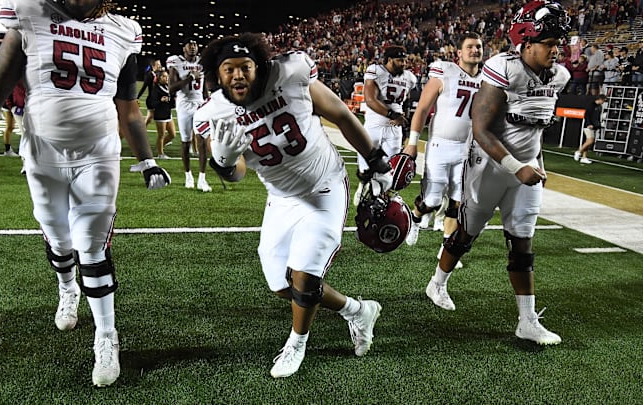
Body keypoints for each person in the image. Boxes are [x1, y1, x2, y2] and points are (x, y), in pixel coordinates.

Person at [0, 0, 171, 387]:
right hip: (43, 152)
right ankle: (67, 287)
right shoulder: (31, 13)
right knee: (59, 239)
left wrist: (148, 160)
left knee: (92, 246)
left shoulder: (124, 30)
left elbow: (128, 110)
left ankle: (106, 336)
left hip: (99, 153)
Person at [194, 33, 391, 378]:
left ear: (259, 66)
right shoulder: (215, 112)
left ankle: (297, 343)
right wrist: (224, 163)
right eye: (229, 69)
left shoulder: (290, 74)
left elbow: (341, 114)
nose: (238, 75)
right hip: (282, 197)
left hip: (323, 186)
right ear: (217, 74)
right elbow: (238, 173)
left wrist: (375, 158)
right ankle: (358, 311)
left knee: (304, 273)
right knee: (281, 284)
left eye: (245, 67)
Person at [425, 0, 570, 346]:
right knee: (466, 234)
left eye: (557, 43)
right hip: (488, 166)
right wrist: (516, 167)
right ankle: (438, 282)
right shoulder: (504, 68)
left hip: (527, 169)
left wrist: (535, 164)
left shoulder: (560, 76)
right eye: (548, 43)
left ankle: (527, 321)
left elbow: (532, 132)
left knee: (522, 243)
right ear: (527, 42)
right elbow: (481, 128)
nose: (556, 50)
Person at [402, 32, 484, 272]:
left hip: (467, 148)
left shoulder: (487, 79)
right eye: (469, 47)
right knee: (432, 199)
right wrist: (412, 142)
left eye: (478, 47)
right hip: (440, 144)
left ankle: (446, 247)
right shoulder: (444, 71)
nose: (475, 50)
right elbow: (423, 108)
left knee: (458, 201)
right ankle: (416, 217)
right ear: (459, 53)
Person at [352, 45, 417, 206]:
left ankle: (381, 201)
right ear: (389, 60)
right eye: (400, 60)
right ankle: (363, 185)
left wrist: (404, 123)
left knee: (389, 172)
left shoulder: (409, 77)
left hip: (394, 130)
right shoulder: (376, 71)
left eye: (405, 60)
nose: (404, 63)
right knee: (366, 168)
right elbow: (370, 99)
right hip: (374, 125)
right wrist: (392, 114)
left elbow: (406, 100)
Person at [167, 38, 211, 192]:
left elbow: (204, 87)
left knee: (202, 141)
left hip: (200, 105)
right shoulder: (175, 62)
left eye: (195, 44)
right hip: (184, 105)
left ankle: (202, 179)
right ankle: (188, 176)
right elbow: (171, 88)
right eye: (189, 45)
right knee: (186, 142)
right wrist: (191, 77)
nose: (193, 47)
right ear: (184, 48)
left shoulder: (202, 62)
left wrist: (208, 101)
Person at [575, 95, 607, 164]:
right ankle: (578, 151)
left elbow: (596, 118)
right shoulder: (591, 105)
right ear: (600, 99)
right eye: (603, 100)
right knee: (590, 141)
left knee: (588, 142)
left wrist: (598, 125)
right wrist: (588, 124)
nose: (603, 102)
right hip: (588, 126)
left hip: (594, 126)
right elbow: (586, 115)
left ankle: (584, 157)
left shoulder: (599, 107)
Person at [151, 69, 175, 159]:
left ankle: (159, 146)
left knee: (173, 134)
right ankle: (160, 154)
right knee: (161, 135)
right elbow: (152, 103)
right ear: (159, 78)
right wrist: (160, 100)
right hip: (160, 114)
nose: (166, 78)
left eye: (167, 76)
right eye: (164, 76)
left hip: (168, 113)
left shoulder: (167, 87)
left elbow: (171, 102)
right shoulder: (155, 88)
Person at [1, 79, 25, 157]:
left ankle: (22, 149)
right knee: (10, 126)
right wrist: (11, 106)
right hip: (10, 104)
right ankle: (7, 150)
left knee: (22, 128)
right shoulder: (11, 77)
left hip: (17, 104)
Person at [137, 58, 160, 127]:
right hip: (151, 100)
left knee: (152, 117)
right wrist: (137, 97)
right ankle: (141, 130)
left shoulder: (159, 74)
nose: (160, 66)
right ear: (153, 66)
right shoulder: (149, 75)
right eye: (158, 64)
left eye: (160, 64)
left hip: (158, 99)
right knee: (150, 117)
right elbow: (144, 87)